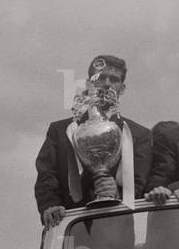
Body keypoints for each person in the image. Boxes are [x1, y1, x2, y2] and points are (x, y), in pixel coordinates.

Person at [34, 54, 153, 227]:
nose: (107, 83)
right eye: (101, 77)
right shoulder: (61, 131)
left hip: (117, 230)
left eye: (114, 79)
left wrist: (119, 193)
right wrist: (50, 205)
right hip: (69, 228)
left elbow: (140, 184)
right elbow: (47, 176)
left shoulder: (138, 135)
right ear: (89, 84)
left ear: (122, 88)